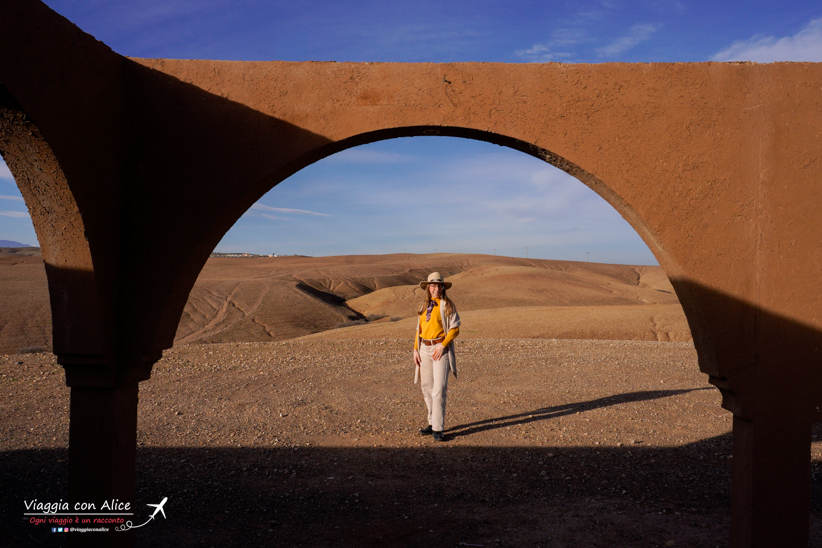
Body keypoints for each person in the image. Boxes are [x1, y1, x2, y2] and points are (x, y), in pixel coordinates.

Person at [413, 272, 460, 442]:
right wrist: (415, 349)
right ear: (428, 288)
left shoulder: (447, 305)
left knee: (439, 389)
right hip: (424, 348)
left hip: (440, 349)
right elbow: (418, 330)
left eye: (438, 286)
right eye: (432, 286)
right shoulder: (423, 306)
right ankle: (432, 423)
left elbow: (455, 328)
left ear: (442, 287)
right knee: (426, 387)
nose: (435, 289)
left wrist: (442, 345)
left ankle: (438, 428)